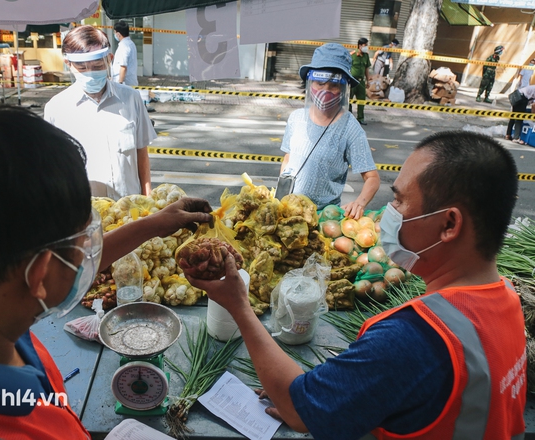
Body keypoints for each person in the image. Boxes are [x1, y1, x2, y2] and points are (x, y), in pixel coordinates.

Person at [0, 106, 212, 438]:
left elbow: (50, 268)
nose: (88, 258)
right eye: (84, 247)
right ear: (38, 274)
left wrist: (153, 225)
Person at [188, 131, 526, 439]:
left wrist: (238, 305)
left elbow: (296, 411)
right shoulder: (507, 300)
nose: (390, 212)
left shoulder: (414, 338)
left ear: (449, 224)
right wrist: (336, 386)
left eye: (400, 200)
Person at [44, 25, 155, 200]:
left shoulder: (131, 99)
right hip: (85, 217)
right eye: (82, 68)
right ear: (69, 65)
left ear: (109, 60)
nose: (90, 73)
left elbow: (142, 155)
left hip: (130, 213)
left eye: (97, 66)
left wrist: (148, 203)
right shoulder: (56, 109)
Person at [280, 43, 379, 219]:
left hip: (323, 219)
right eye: (319, 83)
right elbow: (288, 159)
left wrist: (359, 203)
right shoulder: (296, 118)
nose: (325, 91)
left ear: (343, 88)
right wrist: (281, 197)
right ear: (310, 84)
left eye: (333, 85)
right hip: (289, 212)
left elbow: (372, 178)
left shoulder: (350, 129)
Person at [348, 38, 372, 125]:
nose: (366, 47)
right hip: (352, 81)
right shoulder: (352, 55)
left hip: (361, 82)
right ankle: (349, 118)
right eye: (365, 45)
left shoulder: (366, 56)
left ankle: (360, 118)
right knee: (349, 100)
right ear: (360, 45)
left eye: (366, 45)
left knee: (362, 100)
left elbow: (366, 68)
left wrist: (368, 80)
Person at [111, 21, 138, 87]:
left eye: (114, 32)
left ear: (118, 34)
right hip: (130, 81)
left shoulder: (124, 46)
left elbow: (123, 67)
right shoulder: (131, 43)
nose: (114, 34)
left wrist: (120, 84)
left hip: (124, 83)